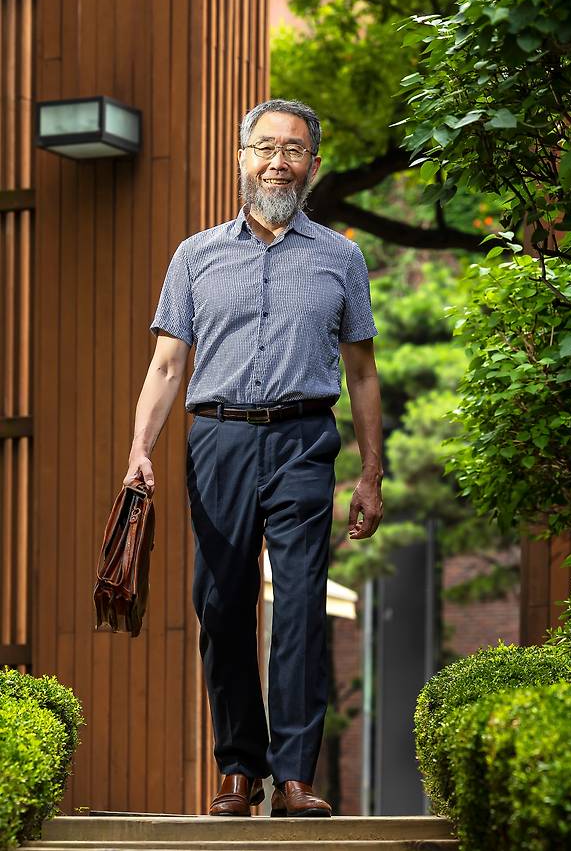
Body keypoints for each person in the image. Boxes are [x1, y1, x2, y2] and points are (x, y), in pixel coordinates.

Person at [123, 98, 384, 818]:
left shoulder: (341, 257)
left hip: (304, 439)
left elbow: (361, 372)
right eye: (264, 147)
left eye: (293, 149)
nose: (278, 161)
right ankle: (238, 768)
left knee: (300, 605)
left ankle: (295, 775)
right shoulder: (195, 256)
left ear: (312, 164)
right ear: (240, 158)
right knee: (223, 604)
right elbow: (168, 366)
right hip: (218, 440)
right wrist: (138, 451)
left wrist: (370, 471)